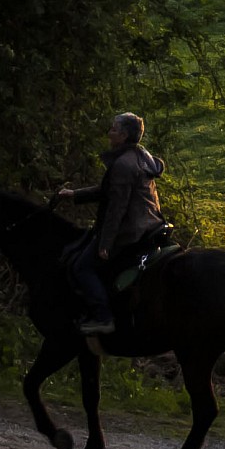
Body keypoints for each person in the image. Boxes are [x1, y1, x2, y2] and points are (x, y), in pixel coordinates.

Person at [53, 111, 166, 335]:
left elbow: (117, 208)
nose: (109, 133)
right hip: (151, 223)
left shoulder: (123, 164)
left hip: (131, 229)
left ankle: (103, 318)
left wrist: (106, 243)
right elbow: (109, 191)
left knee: (81, 266)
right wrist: (74, 194)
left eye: (113, 130)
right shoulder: (141, 155)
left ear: (123, 136)